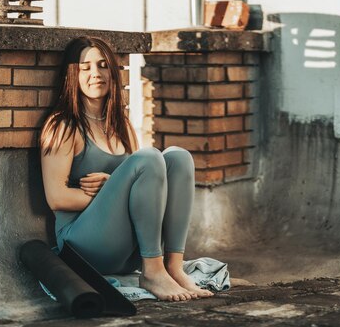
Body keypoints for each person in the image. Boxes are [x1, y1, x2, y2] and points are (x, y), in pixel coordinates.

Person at [39, 37, 213, 302]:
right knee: (148, 158)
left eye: (103, 65)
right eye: (85, 67)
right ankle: (152, 272)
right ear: (72, 75)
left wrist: (115, 185)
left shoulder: (122, 126)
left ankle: (173, 267)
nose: (95, 74)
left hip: (127, 250)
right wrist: (113, 191)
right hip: (83, 246)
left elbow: (145, 187)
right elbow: (56, 198)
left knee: (178, 157)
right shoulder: (63, 126)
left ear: (113, 72)